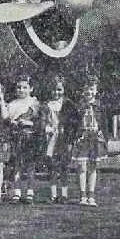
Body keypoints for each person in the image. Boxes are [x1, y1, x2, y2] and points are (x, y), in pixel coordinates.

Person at [41, 76, 78, 204]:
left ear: (63, 89)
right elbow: (43, 120)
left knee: (64, 167)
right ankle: (53, 194)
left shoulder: (68, 104)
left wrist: (69, 136)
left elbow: (74, 123)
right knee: (52, 167)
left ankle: (64, 194)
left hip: (64, 138)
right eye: (54, 90)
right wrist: (47, 127)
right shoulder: (46, 105)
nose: (56, 93)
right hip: (50, 138)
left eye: (59, 89)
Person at [73, 75, 108, 206]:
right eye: (86, 89)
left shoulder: (99, 106)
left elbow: (104, 124)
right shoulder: (79, 107)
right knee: (82, 166)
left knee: (93, 167)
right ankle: (82, 195)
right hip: (82, 137)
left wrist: (105, 140)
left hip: (96, 138)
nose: (89, 92)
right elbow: (74, 123)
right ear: (82, 91)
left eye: (92, 89)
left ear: (96, 90)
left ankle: (91, 195)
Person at [5, 76, 41, 203]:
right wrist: (14, 123)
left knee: (30, 165)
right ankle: (17, 192)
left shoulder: (34, 103)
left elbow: (39, 122)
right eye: (19, 87)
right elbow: (8, 120)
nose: (21, 90)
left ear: (31, 88)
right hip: (16, 136)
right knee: (16, 165)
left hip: (30, 136)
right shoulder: (12, 104)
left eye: (24, 87)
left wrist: (27, 122)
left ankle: (30, 192)